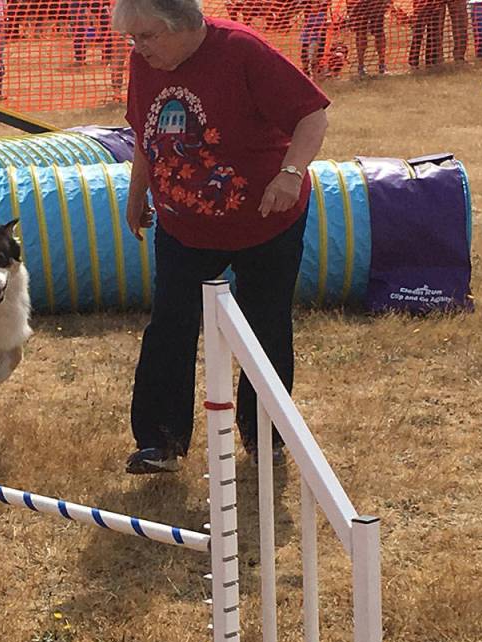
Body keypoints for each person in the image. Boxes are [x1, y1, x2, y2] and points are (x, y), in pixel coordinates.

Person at [112, 0, 329, 474]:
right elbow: (147, 133)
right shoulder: (144, 60)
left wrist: (290, 173)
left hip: (265, 217)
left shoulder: (243, 52)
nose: (138, 47)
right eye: (133, 37)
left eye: (147, 36)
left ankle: (265, 437)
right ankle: (161, 442)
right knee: (169, 323)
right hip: (183, 223)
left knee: (264, 324)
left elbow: (312, 115)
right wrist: (137, 192)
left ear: (184, 26)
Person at [347, 0, 389, 76]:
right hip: (360, 3)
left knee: (379, 32)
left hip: (376, 4)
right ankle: (361, 66)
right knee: (361, 32)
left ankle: (382, 65)